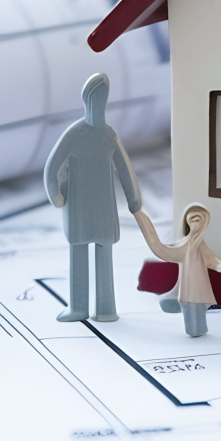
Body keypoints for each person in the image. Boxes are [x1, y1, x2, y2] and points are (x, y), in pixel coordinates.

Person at [43, 73, 142, 322]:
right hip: (78, 206)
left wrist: (134, 199)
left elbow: (124, 168)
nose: (98, 104)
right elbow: (51, 167)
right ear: (86, 100)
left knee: (103, 256)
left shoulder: (108, 134)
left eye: (102, 99)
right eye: (94, 98)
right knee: (79, 253)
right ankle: (79, 308)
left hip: (103, 207)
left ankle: (106, 309)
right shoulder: (75, 134)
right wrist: (55, 195)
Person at [135, 203, 221, 337]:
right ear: (187, 222)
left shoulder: (199, 244)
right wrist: (141, 217)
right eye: (192, 220)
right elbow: (161, 249)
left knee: (197, 316)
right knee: (191, 315)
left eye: (199, 220)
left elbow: (214, 262)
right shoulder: (186, 245)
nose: (196, 224)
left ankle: (198, 330)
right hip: (189, 291)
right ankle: (195, 330)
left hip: (199, 290)